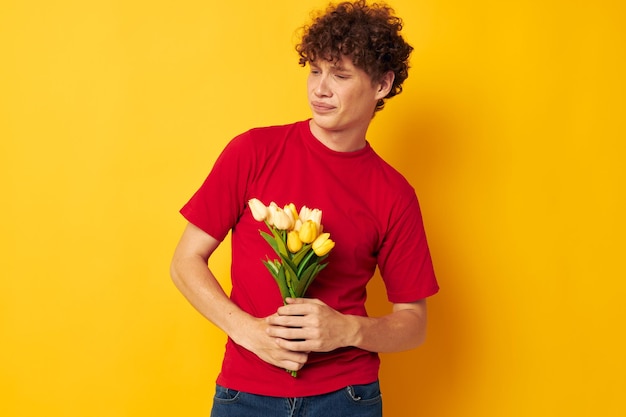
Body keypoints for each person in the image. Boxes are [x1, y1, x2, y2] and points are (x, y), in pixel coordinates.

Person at [170, 1, 439, 416]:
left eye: (341, 75)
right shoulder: (253, 151)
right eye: (315, 71)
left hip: (347, 399)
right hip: (245, 395)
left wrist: (347, 329)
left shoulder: (394, 193)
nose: (320, 89)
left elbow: (413, 323)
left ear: (382, 85)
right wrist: (247, 331)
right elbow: (185, 260)